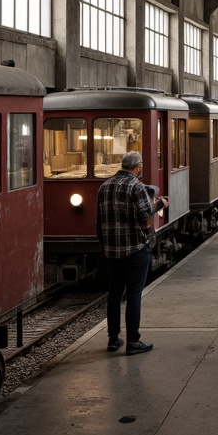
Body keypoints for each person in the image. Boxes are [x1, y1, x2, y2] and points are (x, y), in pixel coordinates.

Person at [96, 151, 166, 355]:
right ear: (137, 167)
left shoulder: (104, 186)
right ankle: (133, 341)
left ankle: (113, 339)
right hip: (135, 249)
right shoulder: (136, 186)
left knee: (114, 293)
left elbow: (98, 221)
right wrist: (159, 204)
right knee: (134, 293)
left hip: (111, 250)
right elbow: (145, 218)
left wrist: (104, 245)